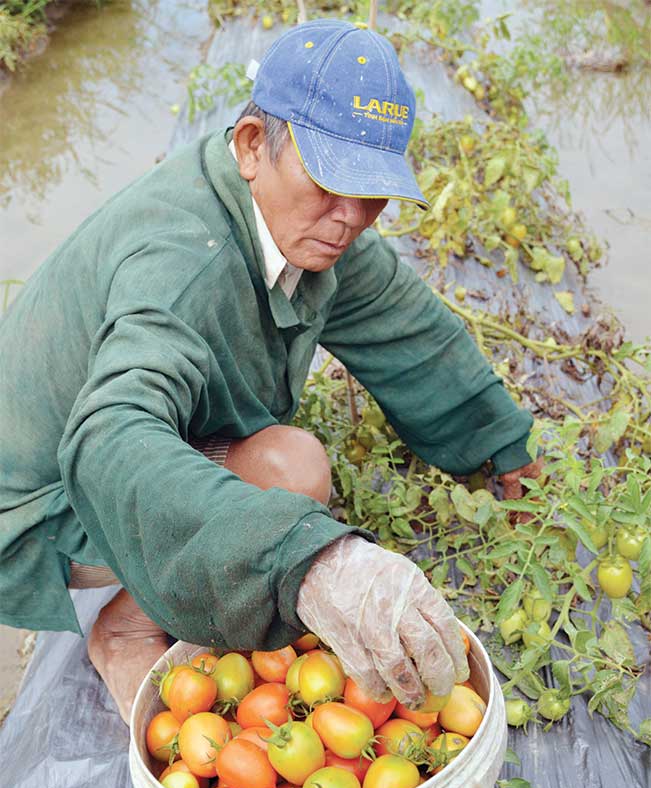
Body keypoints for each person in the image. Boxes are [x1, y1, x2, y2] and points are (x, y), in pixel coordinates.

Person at [0, 19, 541, 724]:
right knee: (291, 470)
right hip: (42, 503)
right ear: (253, 145)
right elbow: (107, 441)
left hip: (90, 452)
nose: (350, 218)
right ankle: (126, 626)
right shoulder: (181, 265)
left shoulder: (298, 218)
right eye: (329, 181)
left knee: (277, 466)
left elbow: (404, 324)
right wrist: (309, 562)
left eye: (371, 193)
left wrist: (502, 447)